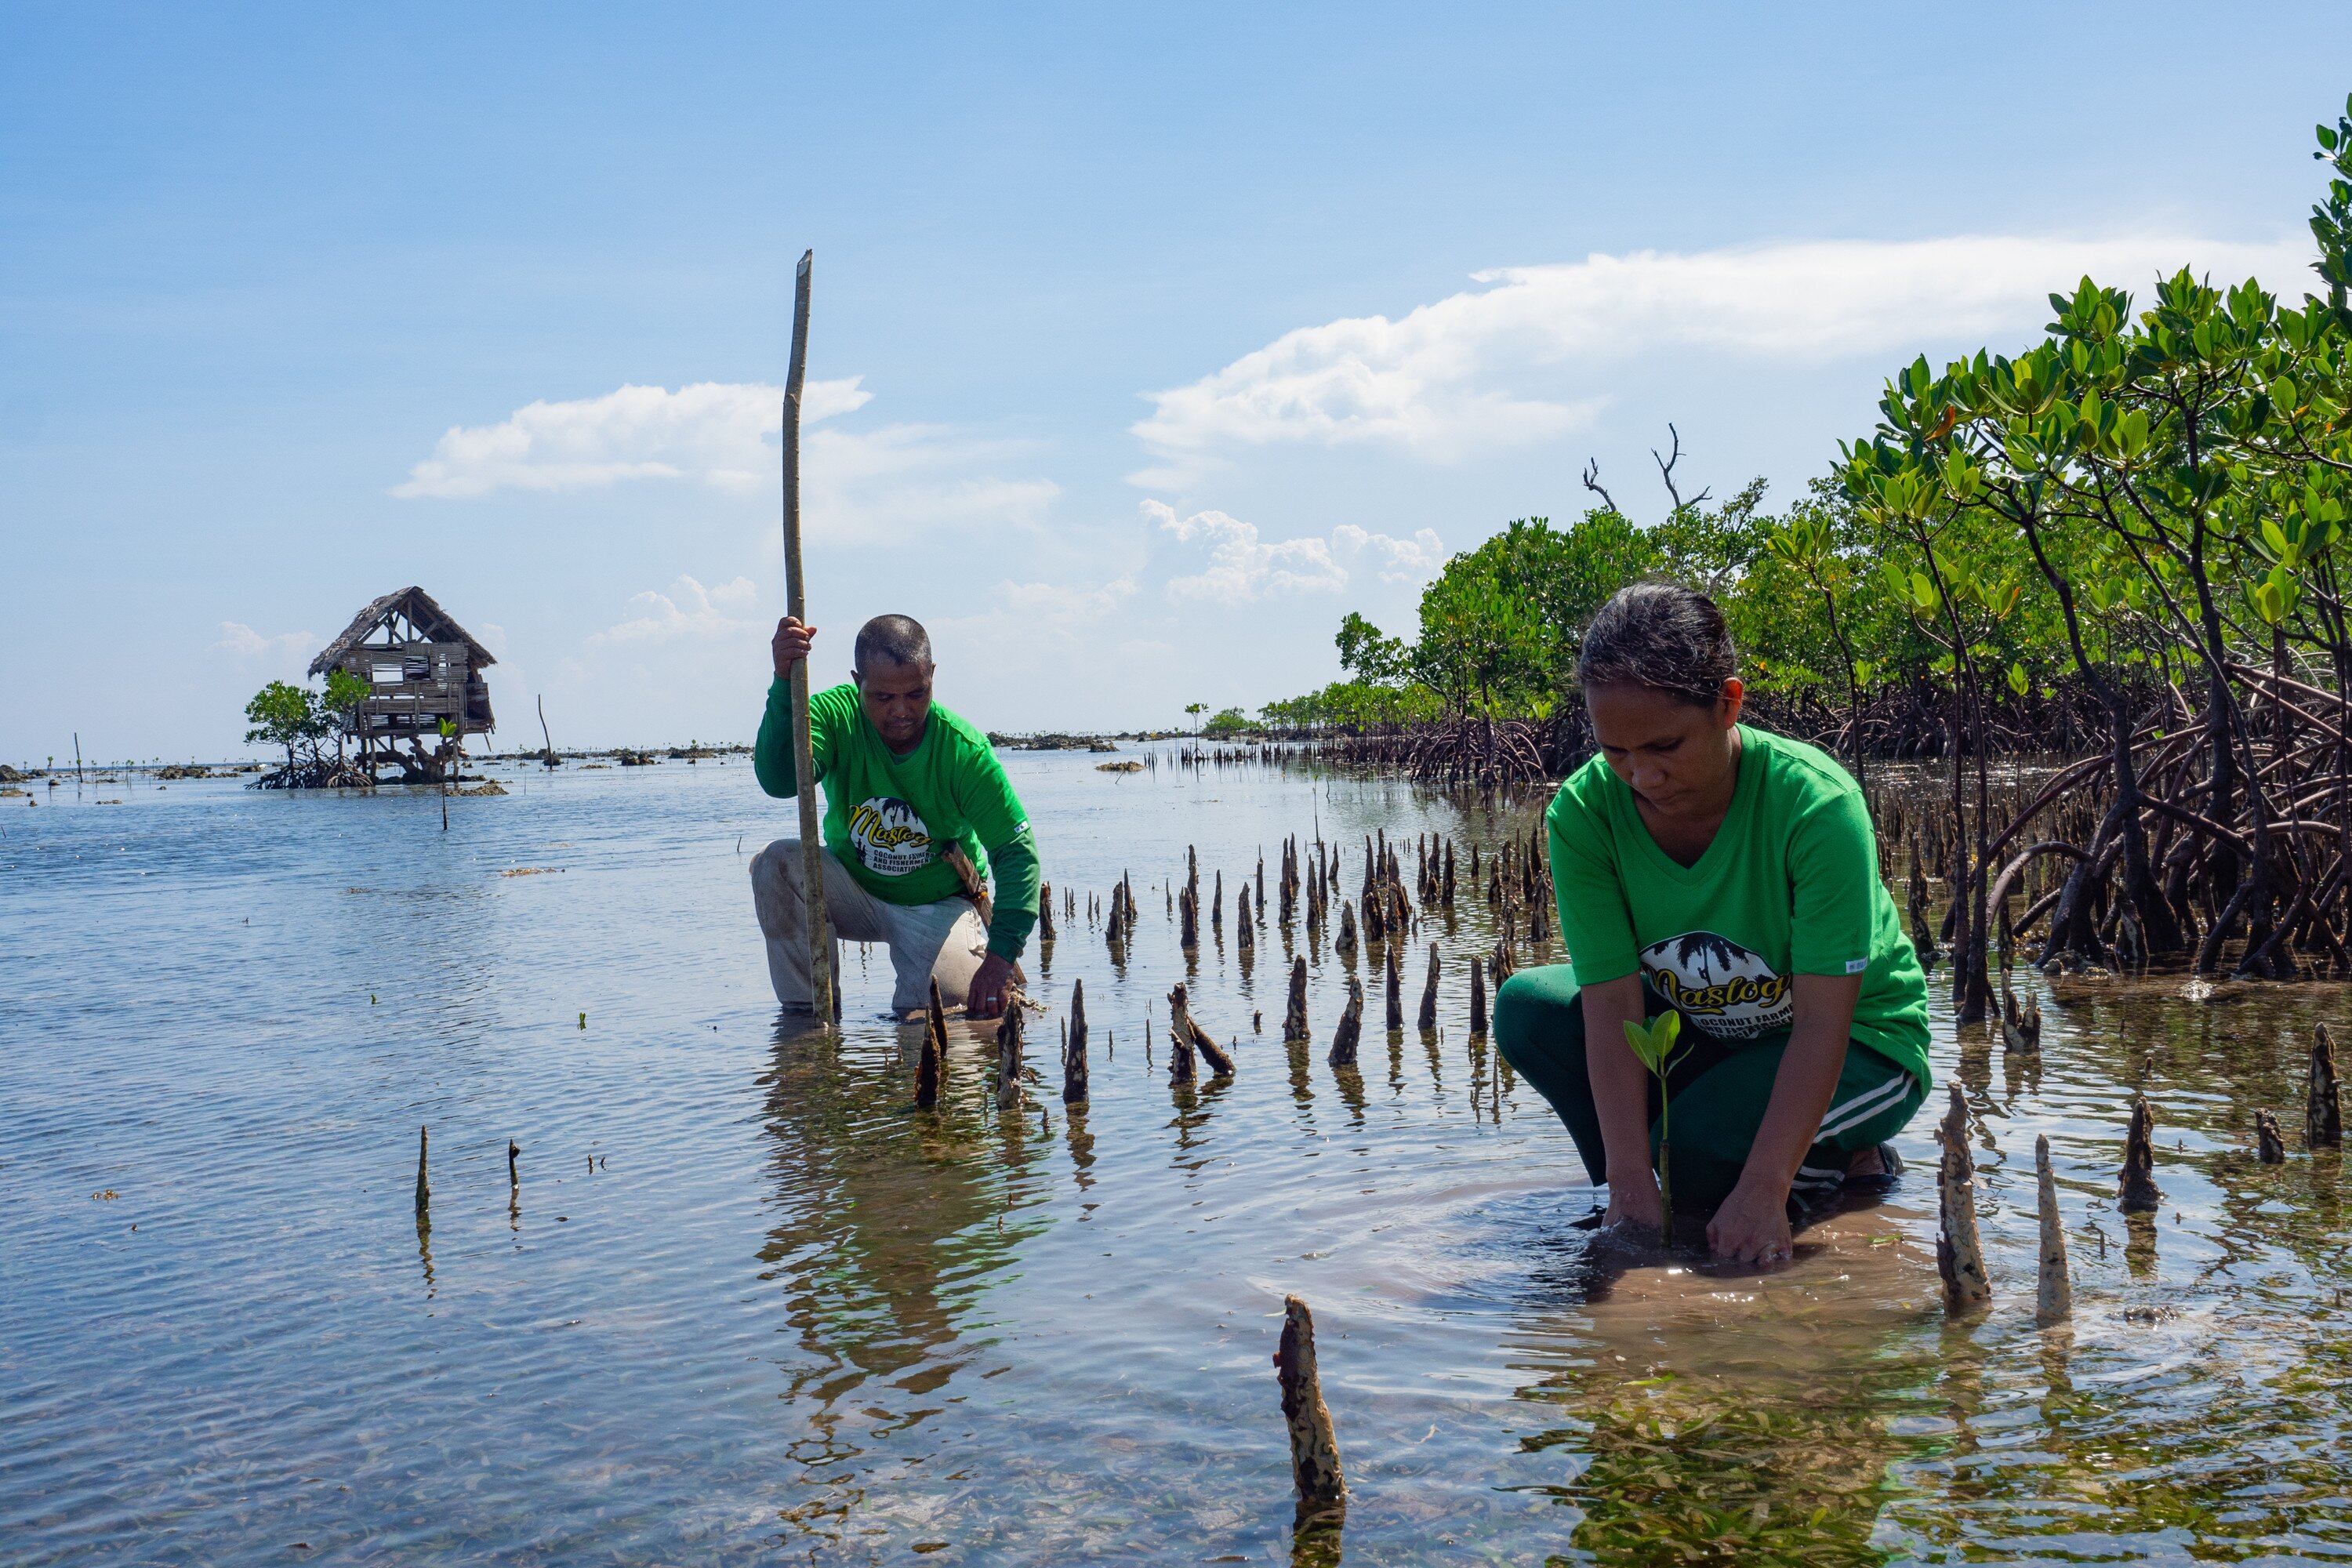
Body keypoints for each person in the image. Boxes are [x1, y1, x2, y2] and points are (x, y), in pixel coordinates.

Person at [1494, 583, 1930, 1265]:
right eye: (1615, 752)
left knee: (1696, 1156)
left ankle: (1832, 1158)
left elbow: (1823, 1021)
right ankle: (1685, 1165)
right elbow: (1613, 1006)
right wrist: (1631, 1189)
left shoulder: (1815, 806)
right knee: (1528, 1009)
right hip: (1711, 1029)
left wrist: (1764, 1186)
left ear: (1729, 703)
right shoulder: (1582, 816)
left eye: (1665, 745)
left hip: (1862, 1043)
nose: (1643, 776)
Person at [751, 612, 1038, 1019]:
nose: (901, 711)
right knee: (775, 865)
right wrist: (784, 685)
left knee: (944, 1021)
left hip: (937, 901)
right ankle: (808, 1025)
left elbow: (1016, 854)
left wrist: (1000, 958)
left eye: (917, 694)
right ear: (858, 683)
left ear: (932, 676)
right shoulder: (834, 715)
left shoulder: (964, 751)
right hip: (854, 888)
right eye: (883, 698)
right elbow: (780, 780)